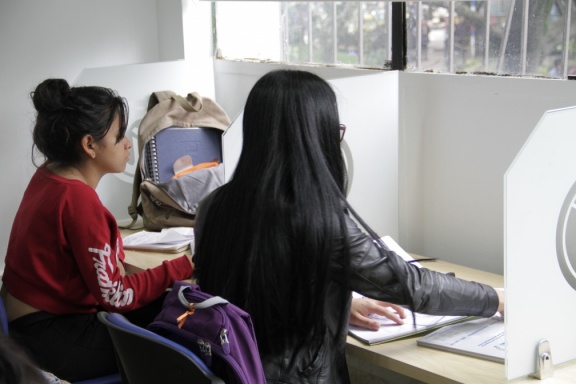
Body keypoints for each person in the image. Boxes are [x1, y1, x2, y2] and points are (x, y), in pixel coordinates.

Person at [192, 69, 503, 384]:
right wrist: (495, 298)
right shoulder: (318, 221)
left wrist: (336, 306)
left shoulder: (213, 206)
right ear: (318, 139)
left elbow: (255, 287)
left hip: (234, 371)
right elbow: (413, 285)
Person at [1, 79, 194, 382]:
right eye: (120, 136)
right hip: (50, 336)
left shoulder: (50, 174)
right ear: (89, 145)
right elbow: (116, 297)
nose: (129, 143)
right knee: (180, 340)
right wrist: (184, 266)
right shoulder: (77, 200)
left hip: (28, 323)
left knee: (170, 309)